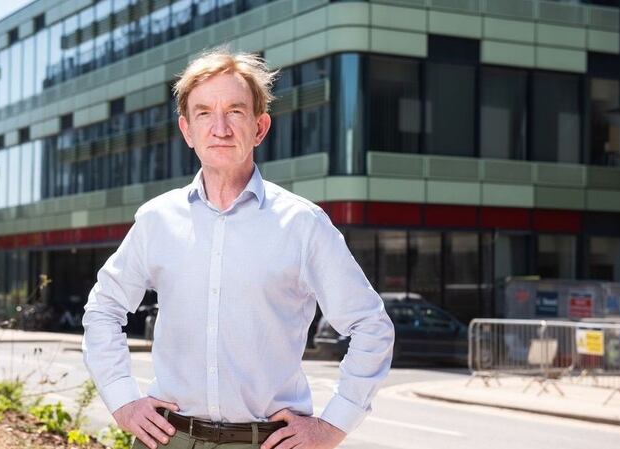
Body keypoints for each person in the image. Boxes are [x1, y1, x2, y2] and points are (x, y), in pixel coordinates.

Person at [82, 48, 394, 449]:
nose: (221, 128)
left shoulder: (303, 224)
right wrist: (123, 399)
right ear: (187, 130)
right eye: (204, 114)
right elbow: (103, 309)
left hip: (265, 442)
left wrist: (332, 425)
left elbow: (371, 327)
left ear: (260, 128)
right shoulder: (156, 220)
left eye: (235, 111)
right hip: (168, 438)